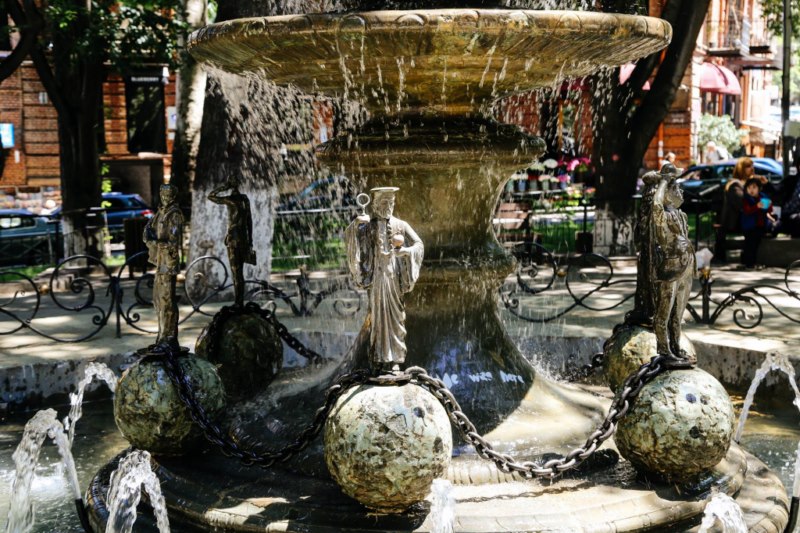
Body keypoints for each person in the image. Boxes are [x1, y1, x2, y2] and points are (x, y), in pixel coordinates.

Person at [345, 187, 424, 371]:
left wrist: (406, 251)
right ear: (374, 205)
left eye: (391, 203)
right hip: (378, 279)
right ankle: (379, 360)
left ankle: (396, 360)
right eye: (383, 203)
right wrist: (356, 224)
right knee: (378, 319)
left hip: (394, 278)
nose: (387, 206)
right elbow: (350, 238)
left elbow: (419, 244)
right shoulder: (368, 226)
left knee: (397, 319)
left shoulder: (401, 225)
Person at [647, 164, 696, 368]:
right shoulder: (662, 215)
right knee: (664, 313)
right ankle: (664, 349)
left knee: (678, 314)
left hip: (686, 269)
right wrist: (664, 181)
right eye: (676, 189)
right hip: (670, 270)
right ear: (666, 194)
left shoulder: (680, 214)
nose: (680, 192)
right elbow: (656, 205)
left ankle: (676, 345)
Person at [143, 184, 184, 348]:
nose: (165, 198)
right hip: (160, 262)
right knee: (158, 299)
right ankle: (161, 336)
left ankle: (169, 337)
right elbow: (149, 229)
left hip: (168, 263)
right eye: (163, 194)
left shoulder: (174, 214)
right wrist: (149, 237)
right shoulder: (160, 213)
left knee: (167, 299)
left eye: (168, 195)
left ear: (173, 196)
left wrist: (157, 242)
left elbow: (173, 240)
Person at [208, 176, 257, 307]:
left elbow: (210, 196)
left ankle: (238, 303)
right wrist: (250, 241)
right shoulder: (245, 199)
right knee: (240, 274)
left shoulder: (229, 199)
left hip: (233, 241)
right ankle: (239, 302)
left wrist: (224, 187)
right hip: (244, 240)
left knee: (236, 273)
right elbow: (249, 221)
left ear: (230, 185)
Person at [715, 157, 753, 262]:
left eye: (752, 166)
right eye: (748, 166)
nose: (752, 168)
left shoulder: (749, 182)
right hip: (733, 221)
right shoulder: (735, 184)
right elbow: (741, 203)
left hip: (743, 218)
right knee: (754, 228)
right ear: (741, 169)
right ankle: (748, 259)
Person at [740, 177, 776, 269]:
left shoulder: (763, 197)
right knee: (750, 244)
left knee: (755, 244)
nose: (751, 190)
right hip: (749, 226)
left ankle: (749, 262)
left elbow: (768, 210)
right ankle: (749, 263)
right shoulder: (746, 199)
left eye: (754, 187)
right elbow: (747, 210)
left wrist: (769, 205)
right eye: (749, 188)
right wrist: (756, 206)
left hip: (760, 225)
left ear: (759, 188)